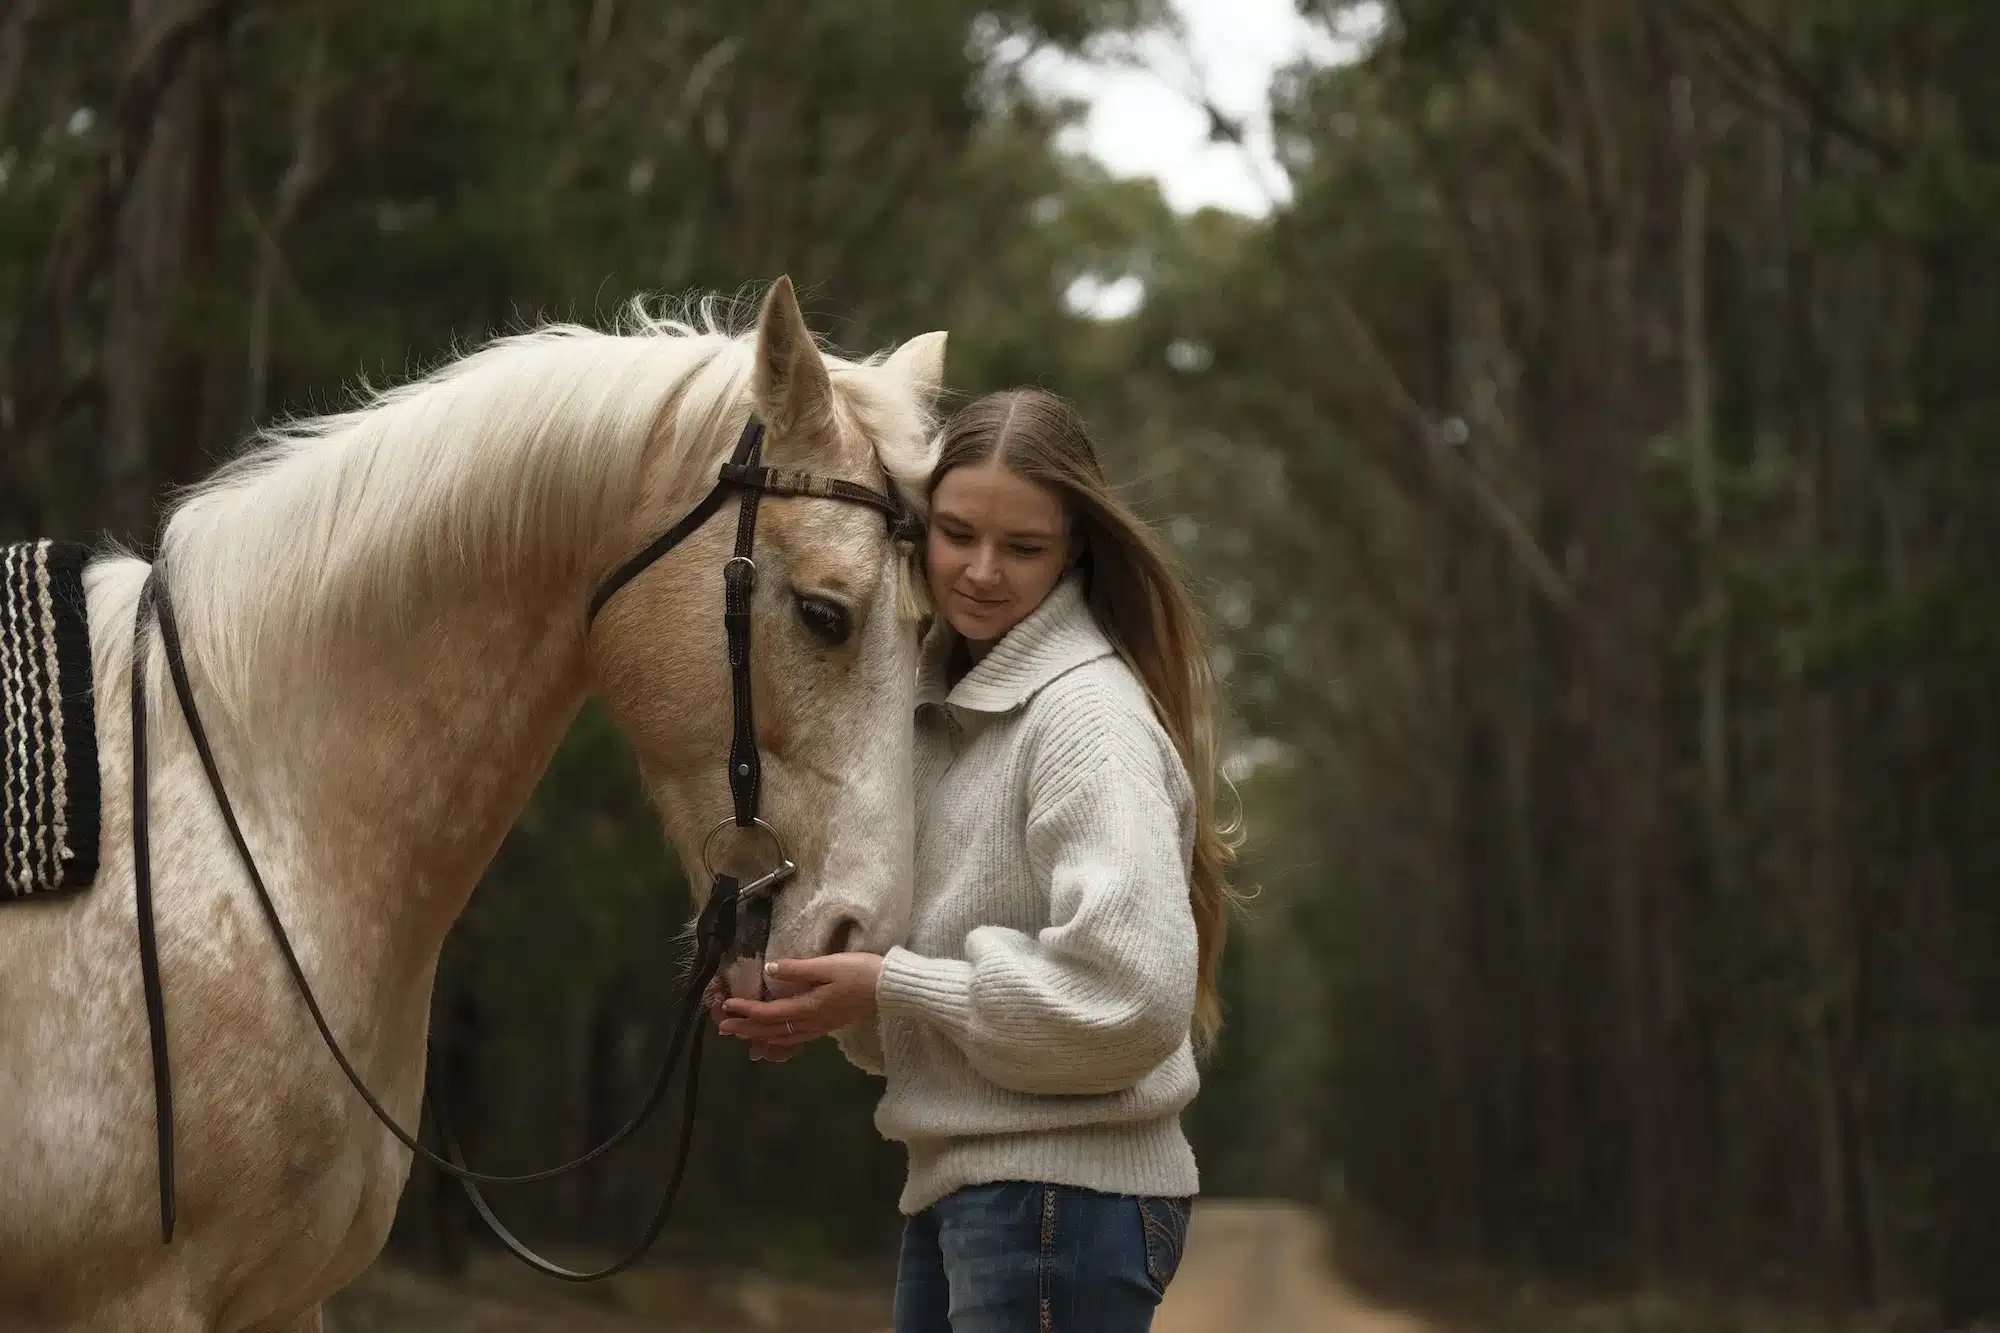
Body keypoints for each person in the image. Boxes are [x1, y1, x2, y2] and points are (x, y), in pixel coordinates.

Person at [715, 387, 1238, 1332]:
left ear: (1074, 548)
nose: (982, 571)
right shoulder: (935, 708)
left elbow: (1131, 999)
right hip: (970, 1185)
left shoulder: (1086, 717)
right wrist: (827, 995)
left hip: (1061, 1202)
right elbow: (937, 1013)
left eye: (1024, 547)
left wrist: (895, 985)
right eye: (957, 533)